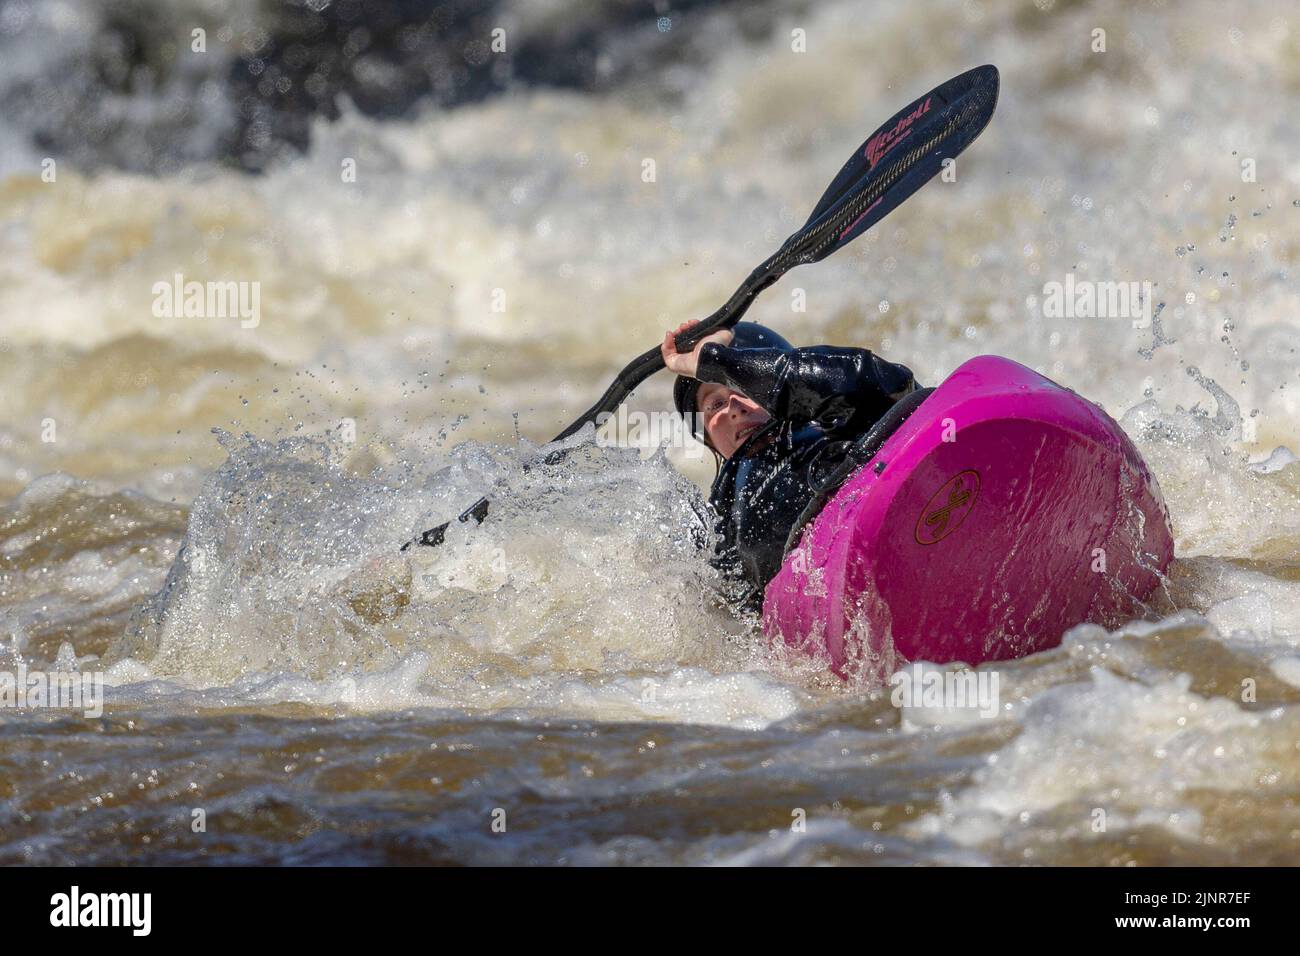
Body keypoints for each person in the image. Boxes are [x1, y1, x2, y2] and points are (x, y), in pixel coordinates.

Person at [662, 319, 920, 611]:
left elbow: (889, 384)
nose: (735, 407)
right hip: (828, 604)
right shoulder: (722, 512)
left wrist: (718, 362)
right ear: (708, 437)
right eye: (715, 404)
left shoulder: (837, 416)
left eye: (740, 386)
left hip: (896, 514)